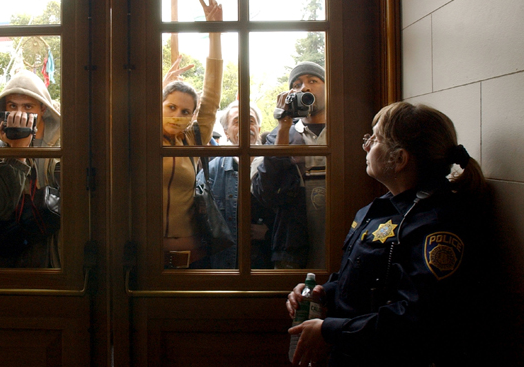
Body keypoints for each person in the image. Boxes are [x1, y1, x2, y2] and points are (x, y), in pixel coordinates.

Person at [286, 102, 489, 366]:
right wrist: (324, 292)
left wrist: (330, 330)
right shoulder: (380, 209)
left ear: (400, 159)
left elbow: (417, 319)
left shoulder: (437, 225)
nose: (366, 146)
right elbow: (370, 282)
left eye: (375, 139)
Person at [162, 0, 223, 269]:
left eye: (186, 111)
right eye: (171, 107)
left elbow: (211, 96)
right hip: (146, 262)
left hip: (193, 259)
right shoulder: (140, 136)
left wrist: (215, 34)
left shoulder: (193, 138)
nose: (178, 115)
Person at [252, 61, 327, 269]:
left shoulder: (344, 130)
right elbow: (265, 193)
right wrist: (283, 127)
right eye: (296, 85)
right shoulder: (280, 136)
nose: (304, 88)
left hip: (339, 237)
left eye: (313, 81)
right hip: (292, 247)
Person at [0, 69, 61, 268]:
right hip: (12, 259)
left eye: (28, 106)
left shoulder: (63, 147)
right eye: (13, 106)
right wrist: (16, 153)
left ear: (43, 108)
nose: (19, 114)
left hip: (57, 255)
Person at [196, 101, 273, 268]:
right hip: (226, 266)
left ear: (258, 128)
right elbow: (199, 224)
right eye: (237, 122)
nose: (245, 126)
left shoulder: (274, 165)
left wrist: (270, 234)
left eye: (250, 121)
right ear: (226, 132)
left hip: (268, 266)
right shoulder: (211, 173)